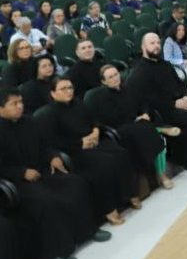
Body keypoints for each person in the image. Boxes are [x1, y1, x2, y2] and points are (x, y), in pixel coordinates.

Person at [0, 88, 105, 259]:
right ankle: (57, 251)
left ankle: (87, 231)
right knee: (45, 201)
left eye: (21, 102)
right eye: (14, 104)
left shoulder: (29, 122)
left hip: (42, 171)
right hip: (18, 183)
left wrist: (53, 156)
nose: (20, 106)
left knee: (76, 183)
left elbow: (45, 146)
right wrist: (21, 172)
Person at [125, 33, 187, 172]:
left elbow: (180, 84)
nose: (156, 46)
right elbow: (146, 100)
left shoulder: (165, 65)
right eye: (151, 43)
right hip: (160, 111)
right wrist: (173, 104)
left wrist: (185, 96)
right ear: (143, 47)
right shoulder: (139, 73)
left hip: (178, 102)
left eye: (157, 43)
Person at [43, 76, 137, 224]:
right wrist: (80, 142)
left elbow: (94, 120)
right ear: (53, 93)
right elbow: (54, 142)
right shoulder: (48, 114)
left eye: (70, 88)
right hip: (75, 151)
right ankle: (109, 208)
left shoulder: (79, 103)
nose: (68, 91)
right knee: (104, 164)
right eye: (63, 89)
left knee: (121, 154)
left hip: (93, 141)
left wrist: (95, 131)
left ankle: (129, 194)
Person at [91, 64, 174, 190]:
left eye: (116, 74)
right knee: (149, 132)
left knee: (151, 135)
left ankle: (162, 174)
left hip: (139, 124)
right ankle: (158, 129)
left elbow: (143, 102)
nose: (115, 78)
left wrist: (145, 113)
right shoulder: (102, 97)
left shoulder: (128, 88)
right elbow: (112, 118)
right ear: (104, 81)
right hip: (121, 128)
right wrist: (136, 119)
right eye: (110, 77)